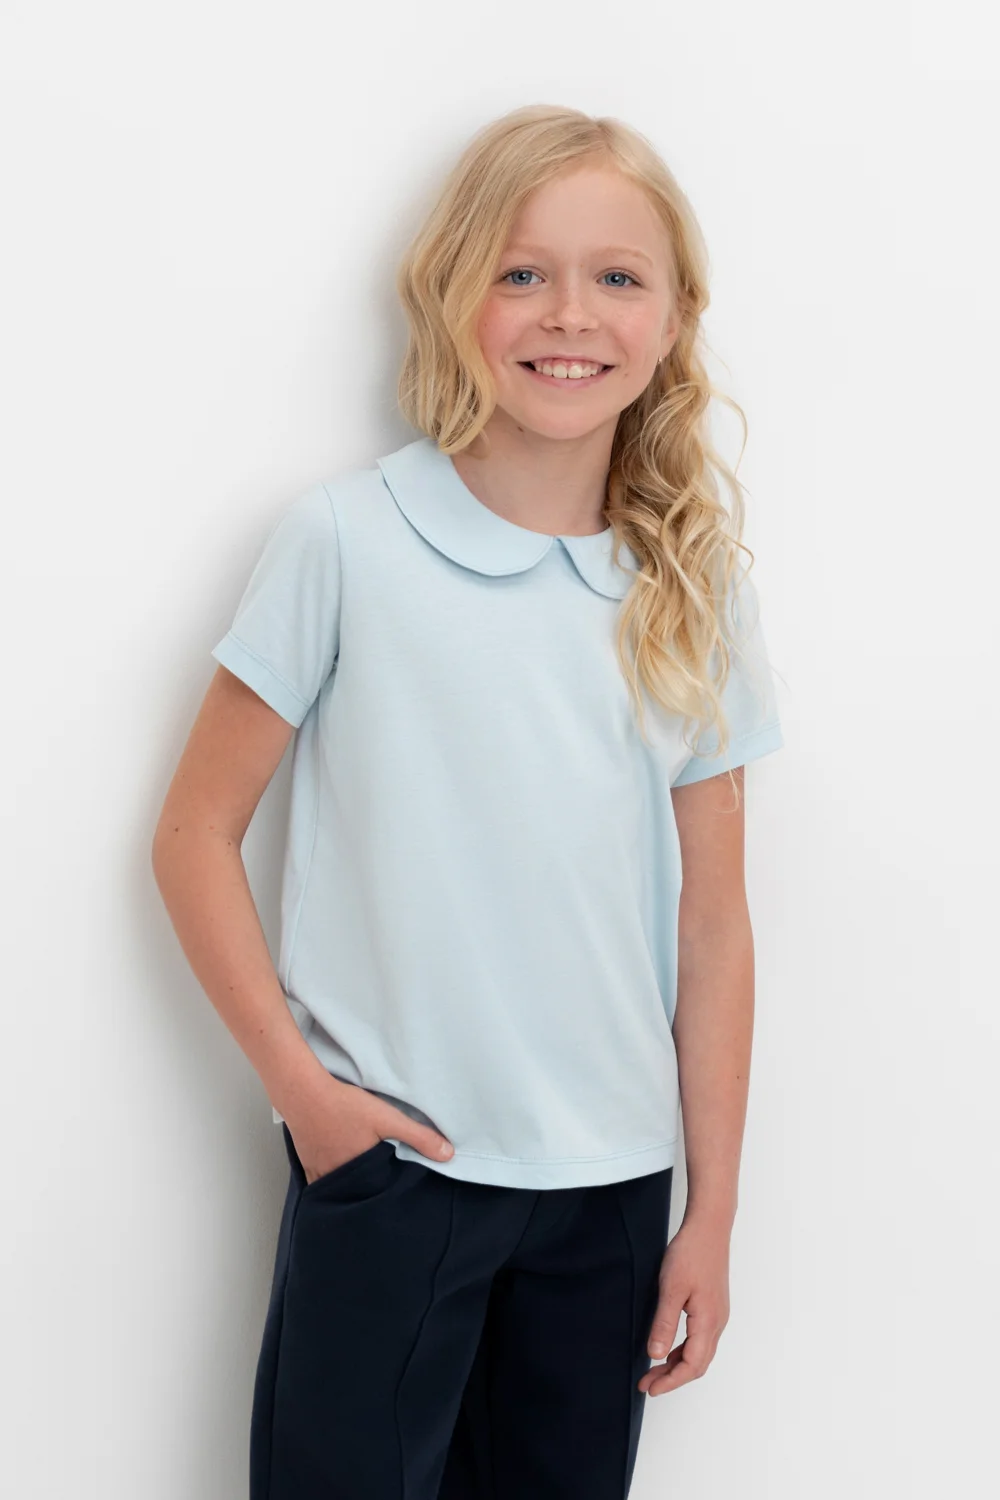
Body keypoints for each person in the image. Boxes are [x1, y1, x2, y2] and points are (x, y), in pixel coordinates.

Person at [152, 102, 784, 1500]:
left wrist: (711, 1214)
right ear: (453, 295)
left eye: (618, 276)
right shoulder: (346, 542)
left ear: (676, 318)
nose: (571, 314)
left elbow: (715, 929)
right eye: (522, 272)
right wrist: (311, 1102)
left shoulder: (693, 591)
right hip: (392, 1174)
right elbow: (193, 835)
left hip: (610, 1197)